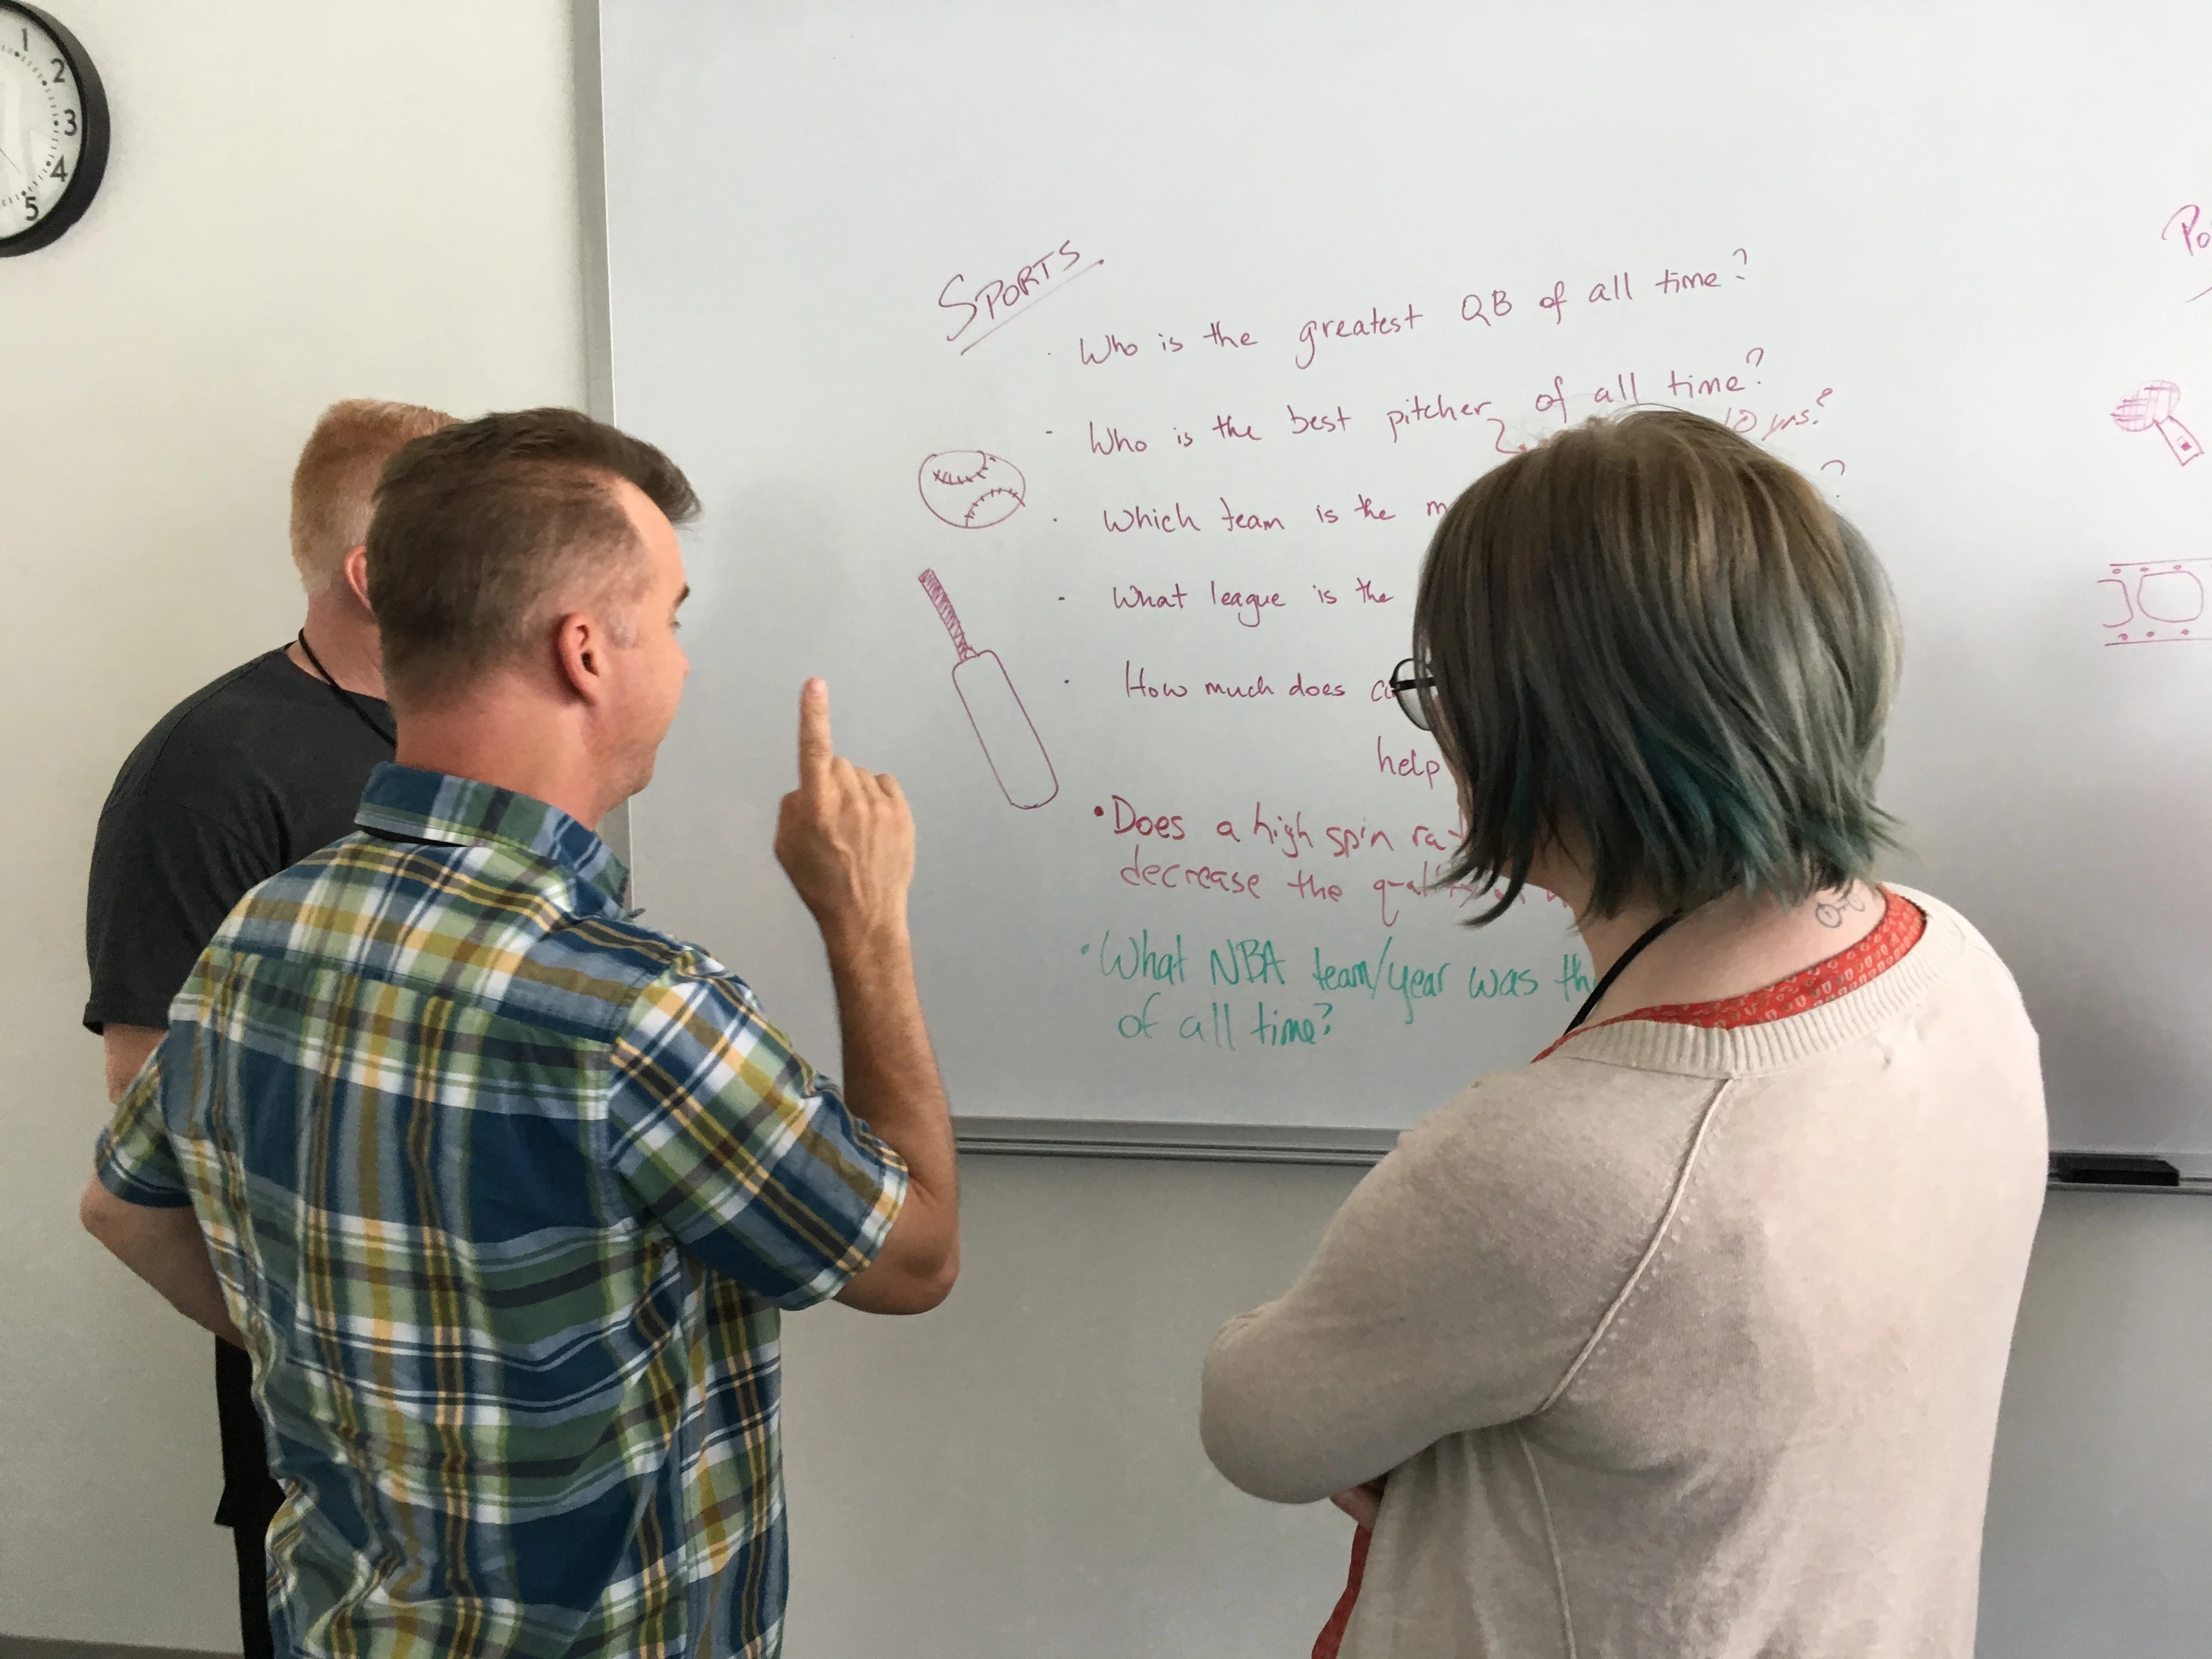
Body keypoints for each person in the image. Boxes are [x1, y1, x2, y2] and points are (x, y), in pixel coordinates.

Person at [79, 408, 960, 1657]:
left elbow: (124, 1207)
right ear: (587, 651)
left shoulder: (259, 936)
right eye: (672, 619)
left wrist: (348, 1368)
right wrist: (865, 924)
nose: (685, 663)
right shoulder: (634, 1010)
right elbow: (914, 1259)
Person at [1200, 409, 2048, 1658]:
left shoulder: (1552, 1175)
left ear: (1541, 738)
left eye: (1447, 694)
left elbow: (1258, 1427)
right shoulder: (1952, 963)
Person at [83, 397, 454, 1658]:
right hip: (331, 1417)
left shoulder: (465, 740)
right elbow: (145, 1129)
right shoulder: (212, 767)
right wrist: (311, 1356)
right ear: (372, 572)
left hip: (493, 1384)